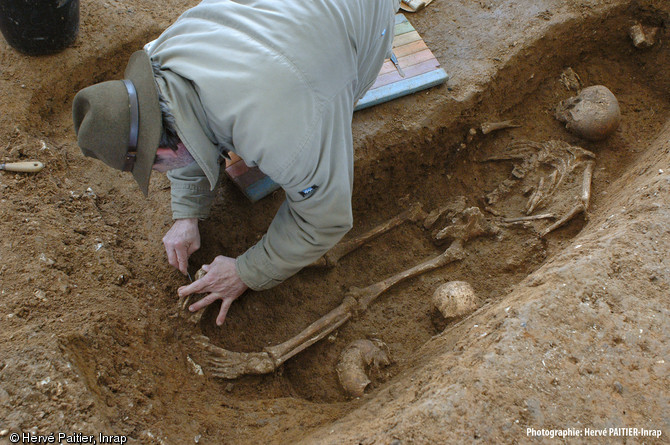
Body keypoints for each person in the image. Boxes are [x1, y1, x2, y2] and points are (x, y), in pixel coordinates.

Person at [72, 0, 399, 325]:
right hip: (290, 27)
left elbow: (325, 217)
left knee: (329, 108)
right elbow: (181, 120)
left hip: (362, 12)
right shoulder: (161, 54)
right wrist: (187, 213)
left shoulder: (285, 128)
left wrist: (246, 271)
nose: (161, 171)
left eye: (155, 165)